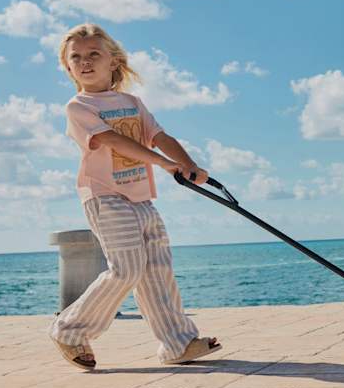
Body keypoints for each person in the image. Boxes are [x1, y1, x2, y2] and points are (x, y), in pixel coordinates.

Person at [49, 22, 222, 370]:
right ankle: (69, 330)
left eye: (94, 54)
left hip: (140, 197)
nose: (85, 61)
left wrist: (189, 165)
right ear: (68, 67)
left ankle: (177, 343)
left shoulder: (132, 102)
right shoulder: (78, 107)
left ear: (113, 60)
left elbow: (159, 135)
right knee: (126, 268)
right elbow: (112, 140)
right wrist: (164, 164)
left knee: (157, 267)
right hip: (104, 196)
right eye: (76, 57)